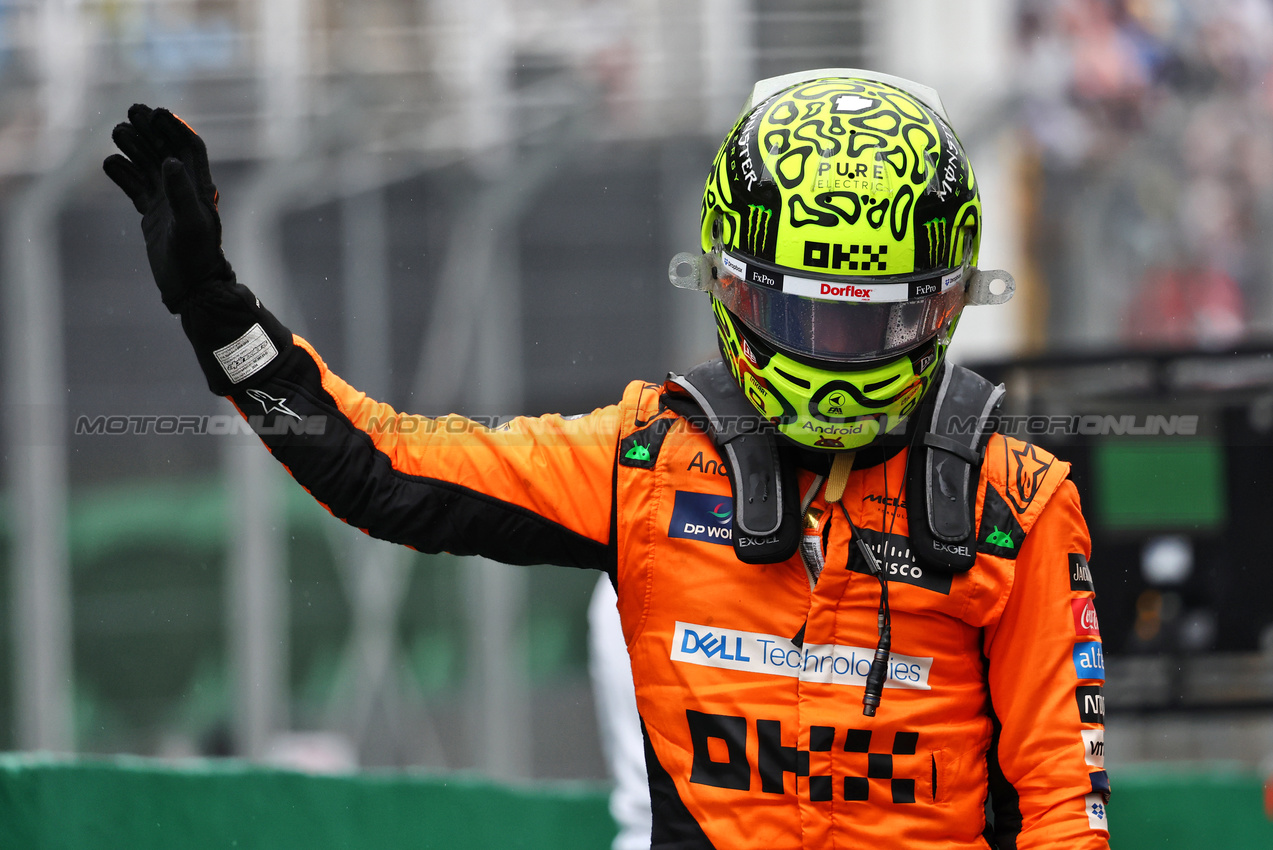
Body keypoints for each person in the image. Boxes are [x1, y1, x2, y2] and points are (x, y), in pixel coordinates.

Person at [104, 69, 1110, 849]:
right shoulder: (644, 463)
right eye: (797, 313)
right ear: (727, 284)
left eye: (869, 324)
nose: (831, 355)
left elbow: (1064, 806)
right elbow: (384, 469)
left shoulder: (1014, 500)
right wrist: (217, 312)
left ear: (940, 305)